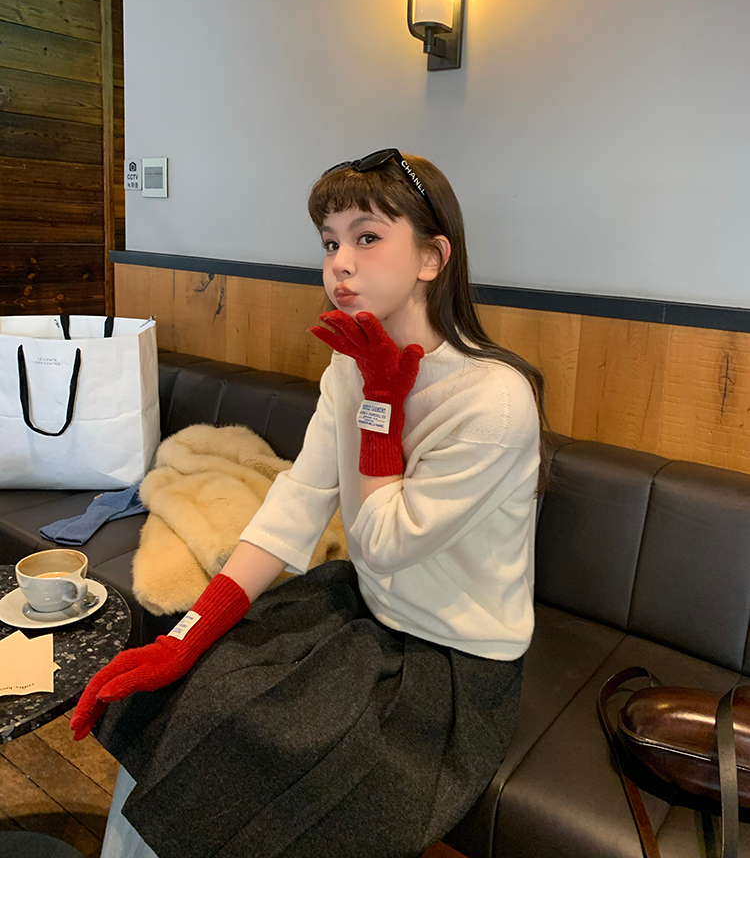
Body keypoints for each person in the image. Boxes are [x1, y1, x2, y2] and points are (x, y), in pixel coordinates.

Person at [71, 148, 553, 858]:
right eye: (330, 243)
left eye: (367, 237)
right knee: (187, 687)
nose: (340, 264)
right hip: (369, 608)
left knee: (262, 744)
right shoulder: (352, 364)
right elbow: (299, 495)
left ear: (431, 258)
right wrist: (187, 635)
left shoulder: (493, 401)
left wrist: (382, 404)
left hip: (454, 654)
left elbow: (384, 541)